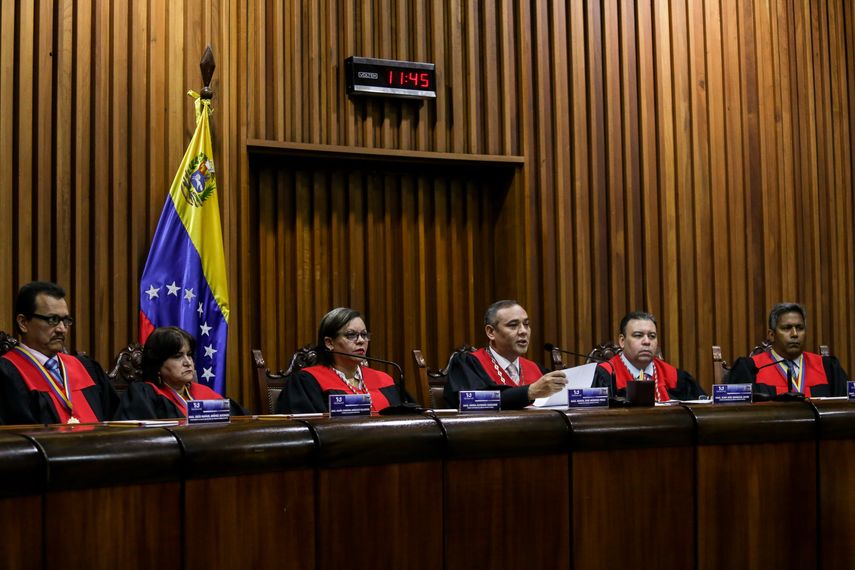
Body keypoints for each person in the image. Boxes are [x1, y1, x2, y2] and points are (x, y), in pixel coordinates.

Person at [0, 281, 119, 424]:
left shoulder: (86, 368)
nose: (62, 329)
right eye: (53, 320)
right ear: (23, 323)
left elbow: (116, 424)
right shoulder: (6, 374)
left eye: (65, 320)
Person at [275, 307, 409, 414]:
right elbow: (305, 428)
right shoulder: (307, 381)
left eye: (364, 334)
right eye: (351, 335)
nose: (361, 341)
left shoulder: (384, 379)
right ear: (329, 342)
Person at [443, 300, 568, 409]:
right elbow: (472, 402)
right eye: (513, 325)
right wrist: (529, 392)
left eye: (526, 324)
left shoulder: (536, 369)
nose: (523, 331)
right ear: (491, 332)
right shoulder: (467, 363)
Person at [115, 326, 245, 419]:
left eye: (189, 355)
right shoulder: (145, 395)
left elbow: (242, 423)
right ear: (158, 364)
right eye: (178, 356)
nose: (188, 362)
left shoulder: (204, 392)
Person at [728, 303, 849, 398]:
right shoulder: (751, 369)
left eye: (800, 328)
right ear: (771, 335)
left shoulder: (828, 367)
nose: (795, 334)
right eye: (787, 328)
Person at [593, 311, 706, 402]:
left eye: (652, 336)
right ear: (622, 341)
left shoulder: (674, 376)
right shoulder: (606, 375)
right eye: (638, 335)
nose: (647, 341)